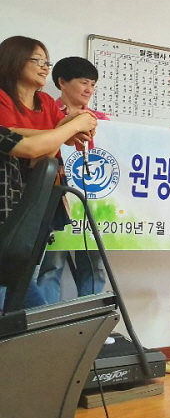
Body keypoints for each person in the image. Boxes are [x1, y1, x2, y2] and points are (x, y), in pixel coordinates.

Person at [0, 117, 97, 310]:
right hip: (8, 241)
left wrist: (66, 129)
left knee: (36, 313)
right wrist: (76, 125)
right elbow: (30, 148)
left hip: (10, 241)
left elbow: (35, 154)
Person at [37, 57, 109, 304]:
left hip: (96, 203)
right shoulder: (48, 115)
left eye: (93, 84)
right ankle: (47, 329)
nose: (89, 89)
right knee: (51, 264)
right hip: (58, 199)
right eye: (83, 82)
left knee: (94, 264)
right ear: (62, 83)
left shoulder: (104, 120)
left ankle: (91, 325)